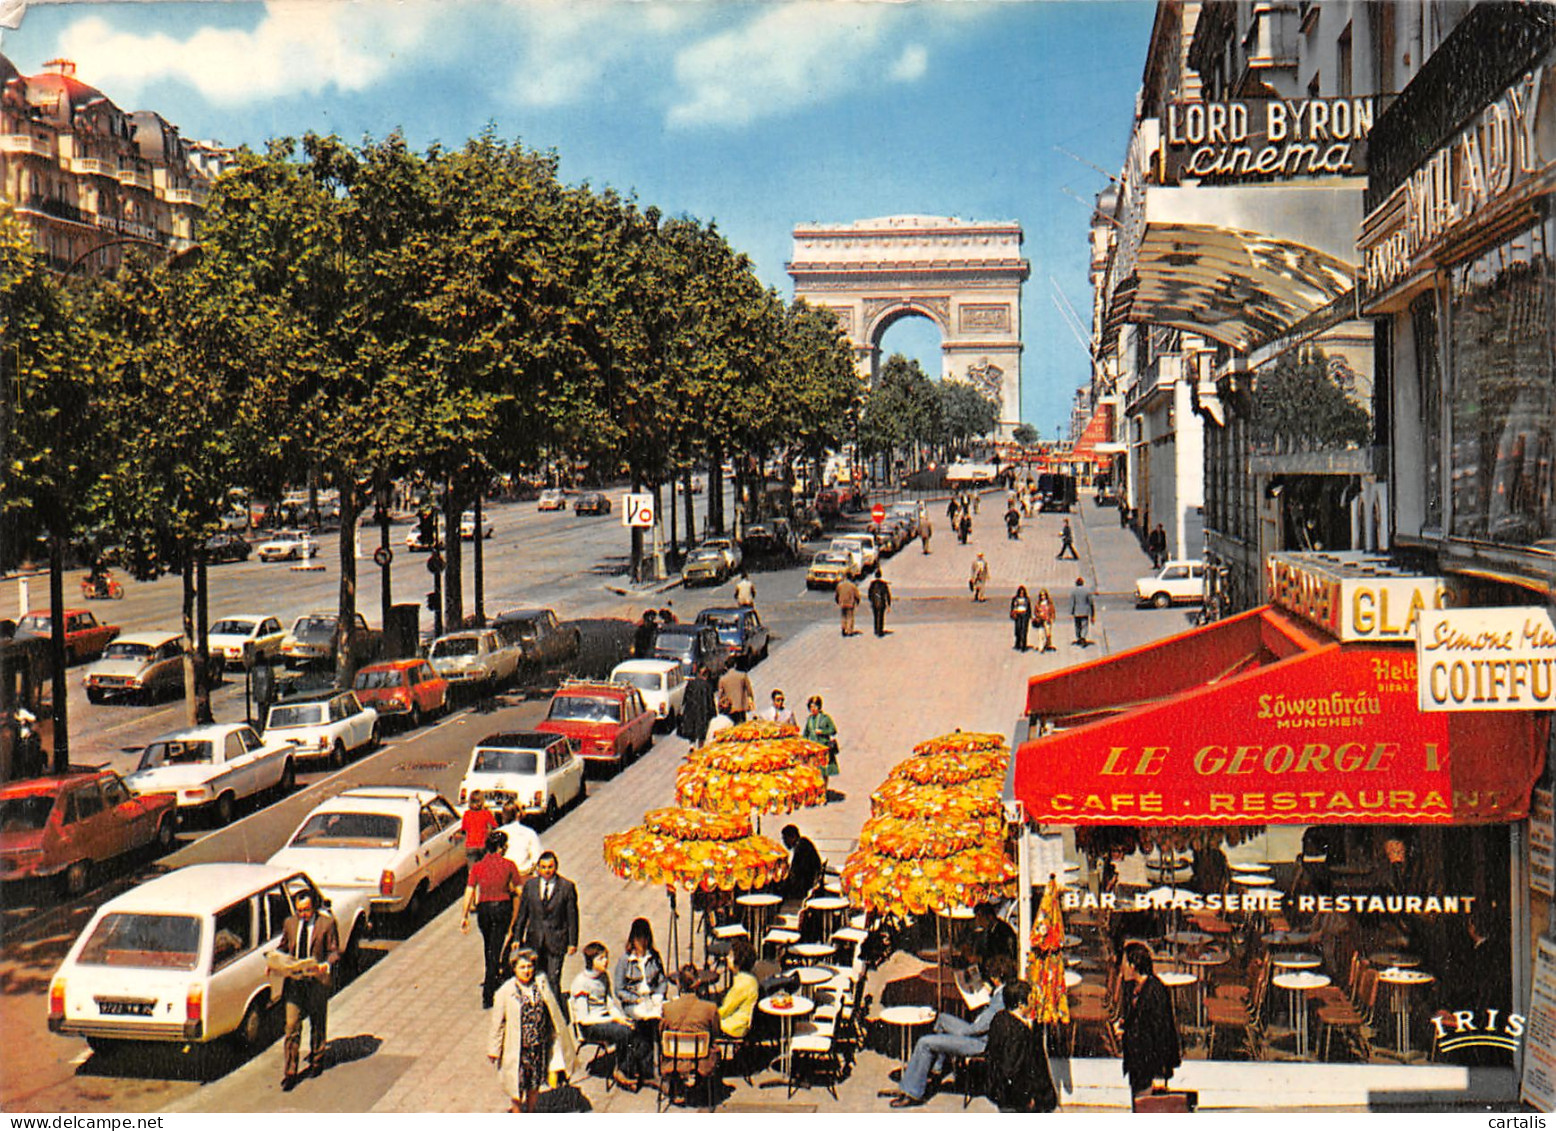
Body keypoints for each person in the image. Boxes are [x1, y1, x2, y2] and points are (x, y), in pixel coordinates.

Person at [890, 954, 1014, 1106]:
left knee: (925, 1042)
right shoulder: (1001, 992)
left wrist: (957, 1030)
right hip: (977, 1033)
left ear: (996, 977)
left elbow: (976, 1028)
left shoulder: (1000, 998)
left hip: (978, 1042)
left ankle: (913, 1092)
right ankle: (935, 1069)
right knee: (941, 1019)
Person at [278, 889, 340, 1090]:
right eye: (299, 910)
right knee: (291, 1025)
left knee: (317, 1020)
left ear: (313, 907)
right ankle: (290, 1072)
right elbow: (284, 947)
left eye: (305, 910)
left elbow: (334, 951)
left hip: (316, 982)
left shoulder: (326, 924)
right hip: (295, 982)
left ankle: (317, 1059)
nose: (302, 914)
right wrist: (275, 961)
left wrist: (326, 965)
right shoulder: (290, 923)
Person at [571, 941, 653, 1091]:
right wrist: (614, 1020)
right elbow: (583, 1018)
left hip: (606, 1018)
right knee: (625, 1032)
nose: (606, 961)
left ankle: (641, 1070)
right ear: (591, 961)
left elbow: (609, 1003)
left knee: (637, 1026)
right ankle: (624, 1071)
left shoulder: (603, 976)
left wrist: (620, 1017)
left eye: (606, 957)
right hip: (591, 1026)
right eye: (601, 958)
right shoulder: (581, 983)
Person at [461, 828, 523, 1008]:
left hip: (484, 911)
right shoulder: (509, 865)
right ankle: (489, 993)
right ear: (501, 847)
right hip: (502, 908)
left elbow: (469, 891)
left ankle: (491, 978)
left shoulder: (478, 867)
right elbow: (519, 890)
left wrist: (464, 916)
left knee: (489, 946)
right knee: (496, 948)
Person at [489, 947, 554, 1113]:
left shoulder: (540, 983)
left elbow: (552, 1011)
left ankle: (531, 1112)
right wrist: (493, 1049)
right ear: (514, 968)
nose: (527, 971)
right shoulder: (505, 991)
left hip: (538, 1046)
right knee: (516, 1087)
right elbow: (498, 1023)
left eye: (530, 967)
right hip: (518, 1048)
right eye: (522, 967)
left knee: (534, 1084)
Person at [514, 850, 579, 1013]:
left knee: (553, 979)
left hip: (556, 940)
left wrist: (572, 942)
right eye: (543, 867)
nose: (547, 870)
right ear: (538, 869)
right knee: (536, 976)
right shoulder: (530, 886)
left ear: (556, 867)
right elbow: (523, 914)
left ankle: (556, 1015)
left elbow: (572, 917)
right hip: (535, 940)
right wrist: (517, 937)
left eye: (550, 867)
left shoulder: (566, 887)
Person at [1116, 940, 1181, 1103]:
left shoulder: (1155, 991)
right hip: (1138, 1064)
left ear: (1133, 966)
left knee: (1147, 1107)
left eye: (1124, 963)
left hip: (1150, 1067)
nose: (1122, 968)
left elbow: (1162, 1033)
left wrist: (1160, 1074)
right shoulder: (1134, 988)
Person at [985, 979, 1058, 1113]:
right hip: (1019, 1100)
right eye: (1031, 998)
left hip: (1004, 1095)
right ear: (1020, 1004)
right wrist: (1027, 1097)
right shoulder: (1017, 1033)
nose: (1033, 1002)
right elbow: (1013, 1069)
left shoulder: (1000, 1019)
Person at [660, 965, 721, 1082]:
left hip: (674, 1060)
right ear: (698, 983)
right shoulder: (710, 1008)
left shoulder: (668, 1008)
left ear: (678, 983)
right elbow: (715, 1033)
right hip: (702, 1061)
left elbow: (662, 1032)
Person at [614, 917, 668, 1011]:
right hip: (635, 1002)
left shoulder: (654, 957)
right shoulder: (625, 960)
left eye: (645, 939)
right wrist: (635, 999)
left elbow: (662, 981)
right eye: (639, 940)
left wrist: (658, 995)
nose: (642, 944)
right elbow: (619, 989)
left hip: (653, 998)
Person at [717, 938, 760, 1039]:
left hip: (735, 1027)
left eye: (731, 956)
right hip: (743, 1022)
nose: (727, 958)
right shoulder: (751, 978)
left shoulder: (741, 985)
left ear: (738, 961)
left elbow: (725, 1010)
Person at [966, 901, 1018, 968]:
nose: (978, 921)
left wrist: (981, 959)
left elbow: (1003, 956)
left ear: (990, 916)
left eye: (980, 916)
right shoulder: (990, 931)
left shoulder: (1003, 931)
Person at [777, 824, 822, 901]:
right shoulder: (804, 842)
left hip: (806, 884)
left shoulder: (800, 848)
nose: (784, 842)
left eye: (785, 839)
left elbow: (795, 873)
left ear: (792, 837)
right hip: (811, 877)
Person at [802, 695, 840, 779]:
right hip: (813, 750)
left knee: (823, 772)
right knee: (813, 772)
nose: (813, 709)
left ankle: (824, 790)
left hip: (823, 749)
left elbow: (833, 730)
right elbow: (806, 733)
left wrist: (823, 732)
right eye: (811, 707)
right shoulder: (809, 719)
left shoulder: (825, 718)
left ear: (819, 707)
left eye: (815, 706)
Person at [678, 665, 717, 743]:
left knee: (692, 728)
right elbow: (710, 700)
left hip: (691, 709)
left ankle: (692, 745)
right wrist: (713, 713)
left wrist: (683, 708)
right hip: (703, 710)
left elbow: (685, 698)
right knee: (702, 731)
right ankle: (700, 747)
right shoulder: (707, 685)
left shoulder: (691, 683)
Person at [461, 792, 498, 865]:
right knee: (483, 868)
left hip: (470, 844)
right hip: (482, 844)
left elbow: (464, 829)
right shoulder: (486, 813)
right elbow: (495, 826)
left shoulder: (467, 814)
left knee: (472, 870)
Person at [1069, 576, 1095, 646]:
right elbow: (1091, 602)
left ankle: (1078, 637)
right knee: (1084, 625)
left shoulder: (1073, 592)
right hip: (1085, 611)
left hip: (1077, 611)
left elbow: (1072, 603)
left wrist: (1071, 613)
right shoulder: (1087, 591)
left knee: (1077, 625)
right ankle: (1083, 637)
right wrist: (1092, 614)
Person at [867, 569, 892, 636]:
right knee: (881, 617)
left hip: (874, 602)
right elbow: (887, 594)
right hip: (882, 602)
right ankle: (880, 630)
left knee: (875, 616)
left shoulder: (872, 584)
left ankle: (876, 629)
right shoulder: (883, 584)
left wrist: (871, 600)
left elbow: (869, 593)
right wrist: (888, 604)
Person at [1009, 585, 1032, 651]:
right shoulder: (1015, 599)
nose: (1021, 594)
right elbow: (1012, 607)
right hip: (1017, 614)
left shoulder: (1026, 599)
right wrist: (1012, 614)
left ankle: (1024, 645)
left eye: (1023, 593)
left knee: (1024, 630)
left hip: (1024, 614)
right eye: (1020, 593)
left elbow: (1029, 608)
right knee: (1018, 630)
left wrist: (1029, 616)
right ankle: (1018, 644)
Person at [1034, 588, 1057, 652]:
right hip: (1040, 620)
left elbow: (1052, 611)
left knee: (1048, 634)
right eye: (1041, 595)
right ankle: (1040, 647)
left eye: (1044, 595)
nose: (1043, 597)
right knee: (1040, 634)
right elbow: (1035, 612)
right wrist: (1038, 616)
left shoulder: (1049, 603)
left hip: (1047, 620)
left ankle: (1047, 645)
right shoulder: (1038, 604)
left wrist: (1052, 617)